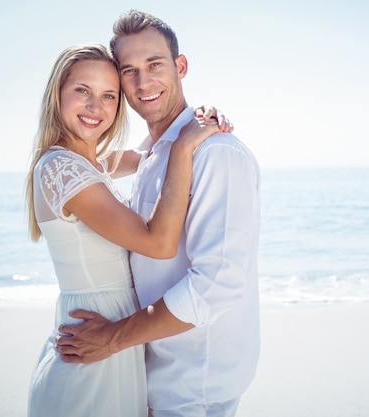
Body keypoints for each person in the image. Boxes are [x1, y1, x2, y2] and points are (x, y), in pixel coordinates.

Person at [55, 10, 261, 417]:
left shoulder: (215, 153)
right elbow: (88, 165)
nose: (143, 83)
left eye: (155, 65)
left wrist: (114, 338)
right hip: (151, 381)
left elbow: (216, 283)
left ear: (180, 66)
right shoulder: (152, 156)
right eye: (128, 71)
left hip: (192, 387)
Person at [25, 43, 231, 417]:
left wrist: (196, 118)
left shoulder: (89, 163)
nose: (96, 107)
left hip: (112, 333)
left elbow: (147, 151)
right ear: (57, 94)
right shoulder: (62, 169)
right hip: (93, 340)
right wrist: (185, 147)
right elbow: (160, 242)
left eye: (109, 95)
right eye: (82, 91)